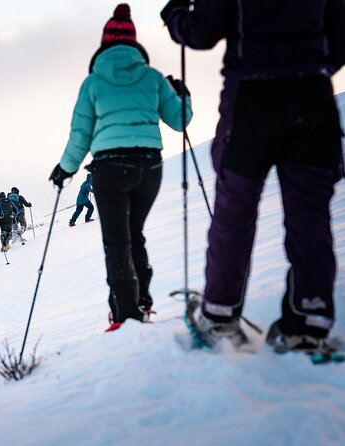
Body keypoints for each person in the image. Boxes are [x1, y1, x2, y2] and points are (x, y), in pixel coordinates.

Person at [161, 0, 344, 352]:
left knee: (235, 209)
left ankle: (219, 314)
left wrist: (175, 15)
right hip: (312, 95)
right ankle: (309, 317)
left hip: (252, 99)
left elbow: (202, 31)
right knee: (310, 213)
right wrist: (308, 65)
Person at [49, 3, 192, 331]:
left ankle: (126, 312)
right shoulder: (153, 78)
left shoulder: (93, 83)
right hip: (149, 167)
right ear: (134, 44)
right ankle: (142, 301)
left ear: (104, 45)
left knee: (116, 240)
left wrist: (65, 169)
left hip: (110, 168)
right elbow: (181, 120)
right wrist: (182, 95)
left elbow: (80, 134)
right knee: (134, 233)